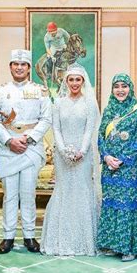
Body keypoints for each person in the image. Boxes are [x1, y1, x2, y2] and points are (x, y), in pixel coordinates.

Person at [0, 49, 52, 254]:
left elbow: (46, 119)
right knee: (10, 195)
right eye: (15, 63)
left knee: (28, 194)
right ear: (10, 67)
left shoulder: (40, 91)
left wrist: (29, 137)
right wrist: (9, 141)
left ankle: (29, 236)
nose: (19, 67)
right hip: (8, 149)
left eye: (23, 64)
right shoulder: (0, 92)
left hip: (30, 148)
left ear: (29, 68)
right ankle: (7, 236)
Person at [40, 63, 99, 256]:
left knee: (81, 191)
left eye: (78, 79)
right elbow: (55, 128)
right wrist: (64, 150)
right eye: (71, 79)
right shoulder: (58, 102)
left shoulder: (90, 103)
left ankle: (84, 242)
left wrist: (81, 151)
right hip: (62, 155)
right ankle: (59, 241)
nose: (74, 83)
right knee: (64, 190)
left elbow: (89, 129)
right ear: (66, 81)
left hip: (83, 155)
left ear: (83, 81)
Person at [96, 73, 137, 262]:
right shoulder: (109, 109)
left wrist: (124, 159)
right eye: (116, 86)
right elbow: (101, 136)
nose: (120, 90)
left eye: (124, 86)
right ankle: (111, 245)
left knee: (127, 206)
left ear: (130, 88)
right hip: (110, 167)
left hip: (130, 167)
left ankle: (129, 248)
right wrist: (106, 156)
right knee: (110, 204)